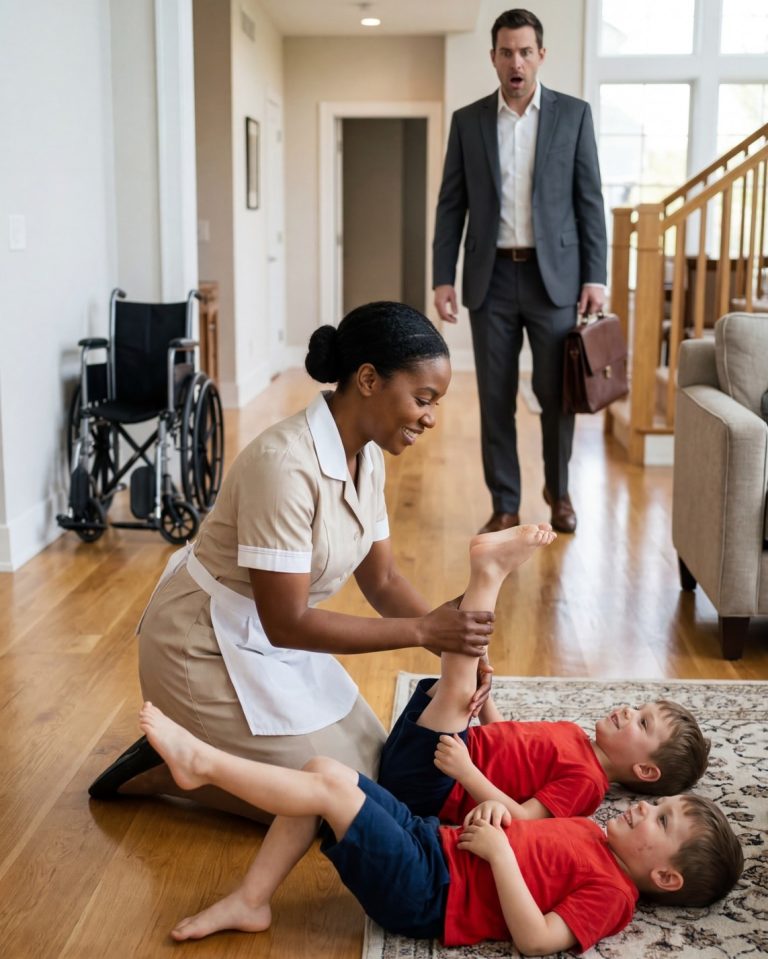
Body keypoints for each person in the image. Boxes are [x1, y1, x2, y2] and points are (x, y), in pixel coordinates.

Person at [88, 301, 496, 820]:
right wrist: (423, 632)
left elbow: (385, 578)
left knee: (376, 775)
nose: (431, 418)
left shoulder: (366, 455)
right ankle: (168, 768)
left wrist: (452, 642)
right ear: (368, 378)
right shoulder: (283, 465)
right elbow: (287, 622)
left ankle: (215, 755)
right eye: (422, 398)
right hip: (202, 646)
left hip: (273, 637)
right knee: (337, 811)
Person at [137, 701, 743, 954]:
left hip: (432, 894)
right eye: (656, 804)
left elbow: (536, 940)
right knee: (327, 772)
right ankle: (251, 900)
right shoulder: (590, 829)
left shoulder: (614, 897)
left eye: (659, 819)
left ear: (663, 873)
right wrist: (492, 814)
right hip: (436, 843)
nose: (640, 808)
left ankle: (203, 766)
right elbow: (521, 827)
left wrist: (501, 855)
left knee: (326, 790)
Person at [432, 8, 608, 535]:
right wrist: (444, 276)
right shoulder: (468, 121)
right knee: (496, 397)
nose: (516, 62)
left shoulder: (573, 116)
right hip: (490, 280)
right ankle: (505, 501)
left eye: (526, 52)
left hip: (554, 281)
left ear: (541, 56)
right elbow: (450, 205)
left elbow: (589, 203)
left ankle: (559, 491)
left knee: (557, 395)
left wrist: (595, 276)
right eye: (506, 52)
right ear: (493, 58)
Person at [379, 668, 710, 824]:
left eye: (642, 723)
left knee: (459, 674)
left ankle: (487, 580)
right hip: (443, 752)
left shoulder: (587, 785)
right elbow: (504, 737)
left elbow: (523, 817)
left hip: (436, 786)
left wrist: (466, 773)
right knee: (460, 682)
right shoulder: (575, 734)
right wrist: (486, 697)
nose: (628, 710)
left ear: (645, 770)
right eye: (639, 708)